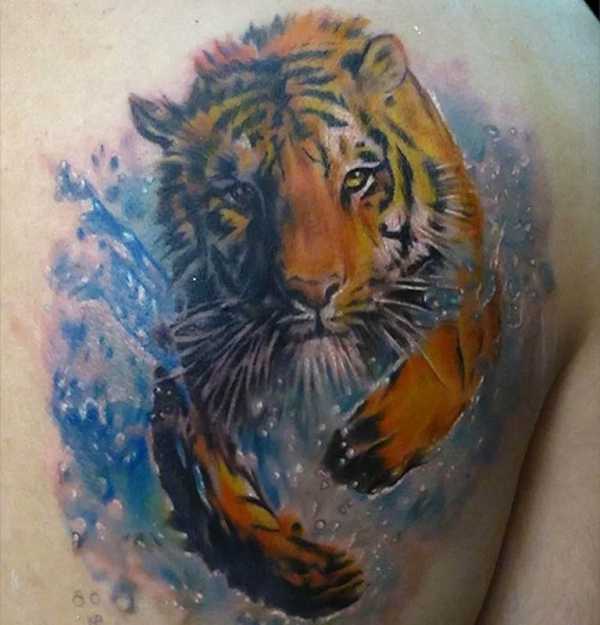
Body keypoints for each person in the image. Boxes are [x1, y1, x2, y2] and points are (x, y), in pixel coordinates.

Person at [1, 2, 598, 624]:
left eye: (358, 182)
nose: (309, 272)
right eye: (242, 196)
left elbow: (469, 273)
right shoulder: (572, 69)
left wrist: (451, 359)